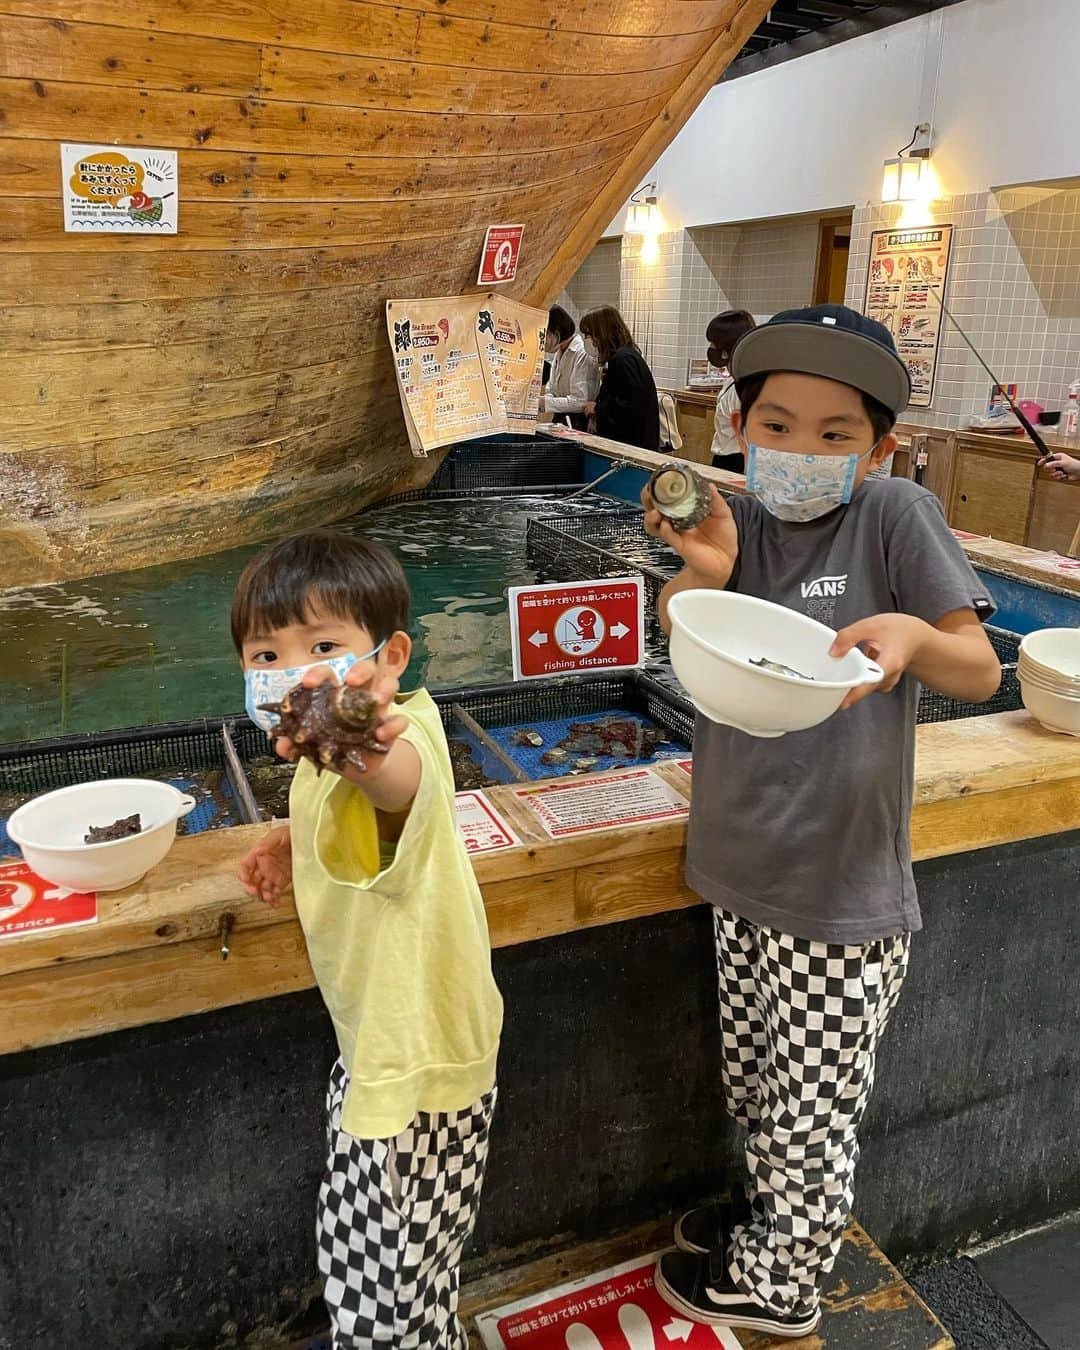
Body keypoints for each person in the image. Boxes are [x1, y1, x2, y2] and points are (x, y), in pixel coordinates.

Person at [644, 305, 1000, 1339]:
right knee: (757, 1086)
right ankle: (768, 1228)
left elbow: (978, 667)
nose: (803, 450)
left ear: (879, 447)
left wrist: (906, 636)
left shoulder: (892, 517)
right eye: (779, 425)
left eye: (837, 433)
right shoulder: (738, 524)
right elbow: (688, 636)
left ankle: (783, 1285)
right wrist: (700, 572)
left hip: (840, 888)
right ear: (740, 430)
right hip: (739, 867)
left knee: (812, 1112)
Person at [233, 531, 503, 1350]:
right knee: (392, 1264)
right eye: (265, 652)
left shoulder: (392, 739)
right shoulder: (327, 752)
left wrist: (358, 744)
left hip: (412, 1068)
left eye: (323, 646)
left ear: (390, 657)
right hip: (386, 1047)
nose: (294, 669)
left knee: (382, 1281)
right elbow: (359, 816)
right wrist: (293, 838)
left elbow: (392, 783)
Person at [579, 305, 660, 451]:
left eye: (588, 334)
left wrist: (597, 409)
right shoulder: (625, 356)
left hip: (631, 448)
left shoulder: (623, 360)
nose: (586, 340)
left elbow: (628, 407)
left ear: (601, 333)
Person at [706, 309, 756, 473]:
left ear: (726, 347)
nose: (710, 347)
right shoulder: (734, 380)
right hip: (725, 457)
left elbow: (749, 438)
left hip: (736, 462)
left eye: (713, 343)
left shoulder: (744, 387)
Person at [541, 304, 600, 432]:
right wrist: (543, 400)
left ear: (557, 332)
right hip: (560, 419)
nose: (543, 339)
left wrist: (544, 403)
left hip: (578, 422)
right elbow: (552, 390)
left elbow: (579, 401)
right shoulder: (559, 351)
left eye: (546, 333)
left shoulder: (581, 352)